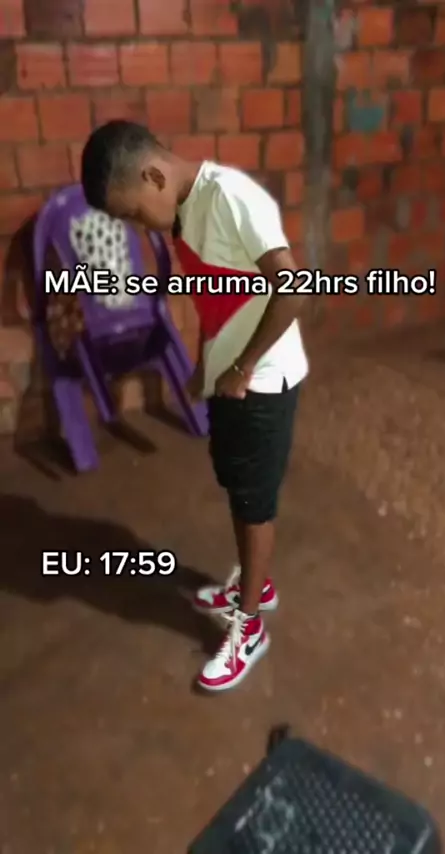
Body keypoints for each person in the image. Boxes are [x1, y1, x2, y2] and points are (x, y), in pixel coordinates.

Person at [81, 120, 309, 693]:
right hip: (230, 377)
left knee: (254, 502)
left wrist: (242, 366)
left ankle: (249, 627)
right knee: (236, 483)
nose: (139, 227)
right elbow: (219, 298)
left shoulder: (230, 198)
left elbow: (291, 286)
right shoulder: (182, 213)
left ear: (154, 177)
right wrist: (208, 364)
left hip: (262, 380)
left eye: (135, 213)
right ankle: (254, 585)